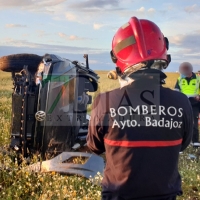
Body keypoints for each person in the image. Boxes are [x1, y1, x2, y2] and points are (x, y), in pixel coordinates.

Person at [87, 16, 193, 200]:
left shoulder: (105, 102)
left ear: (118, 58)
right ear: (163, 53)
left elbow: (94, 147)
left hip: (118, 195)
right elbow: (183, 145)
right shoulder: (182, 101)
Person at [174, 62, 200, 147]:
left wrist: (198, 96)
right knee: (181, 123)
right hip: (183, 103)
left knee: (194, 123)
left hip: (195, 104)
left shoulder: (198, 79)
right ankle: (182, 142)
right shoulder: (180, 79)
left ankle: (195, 142)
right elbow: (176, 91)